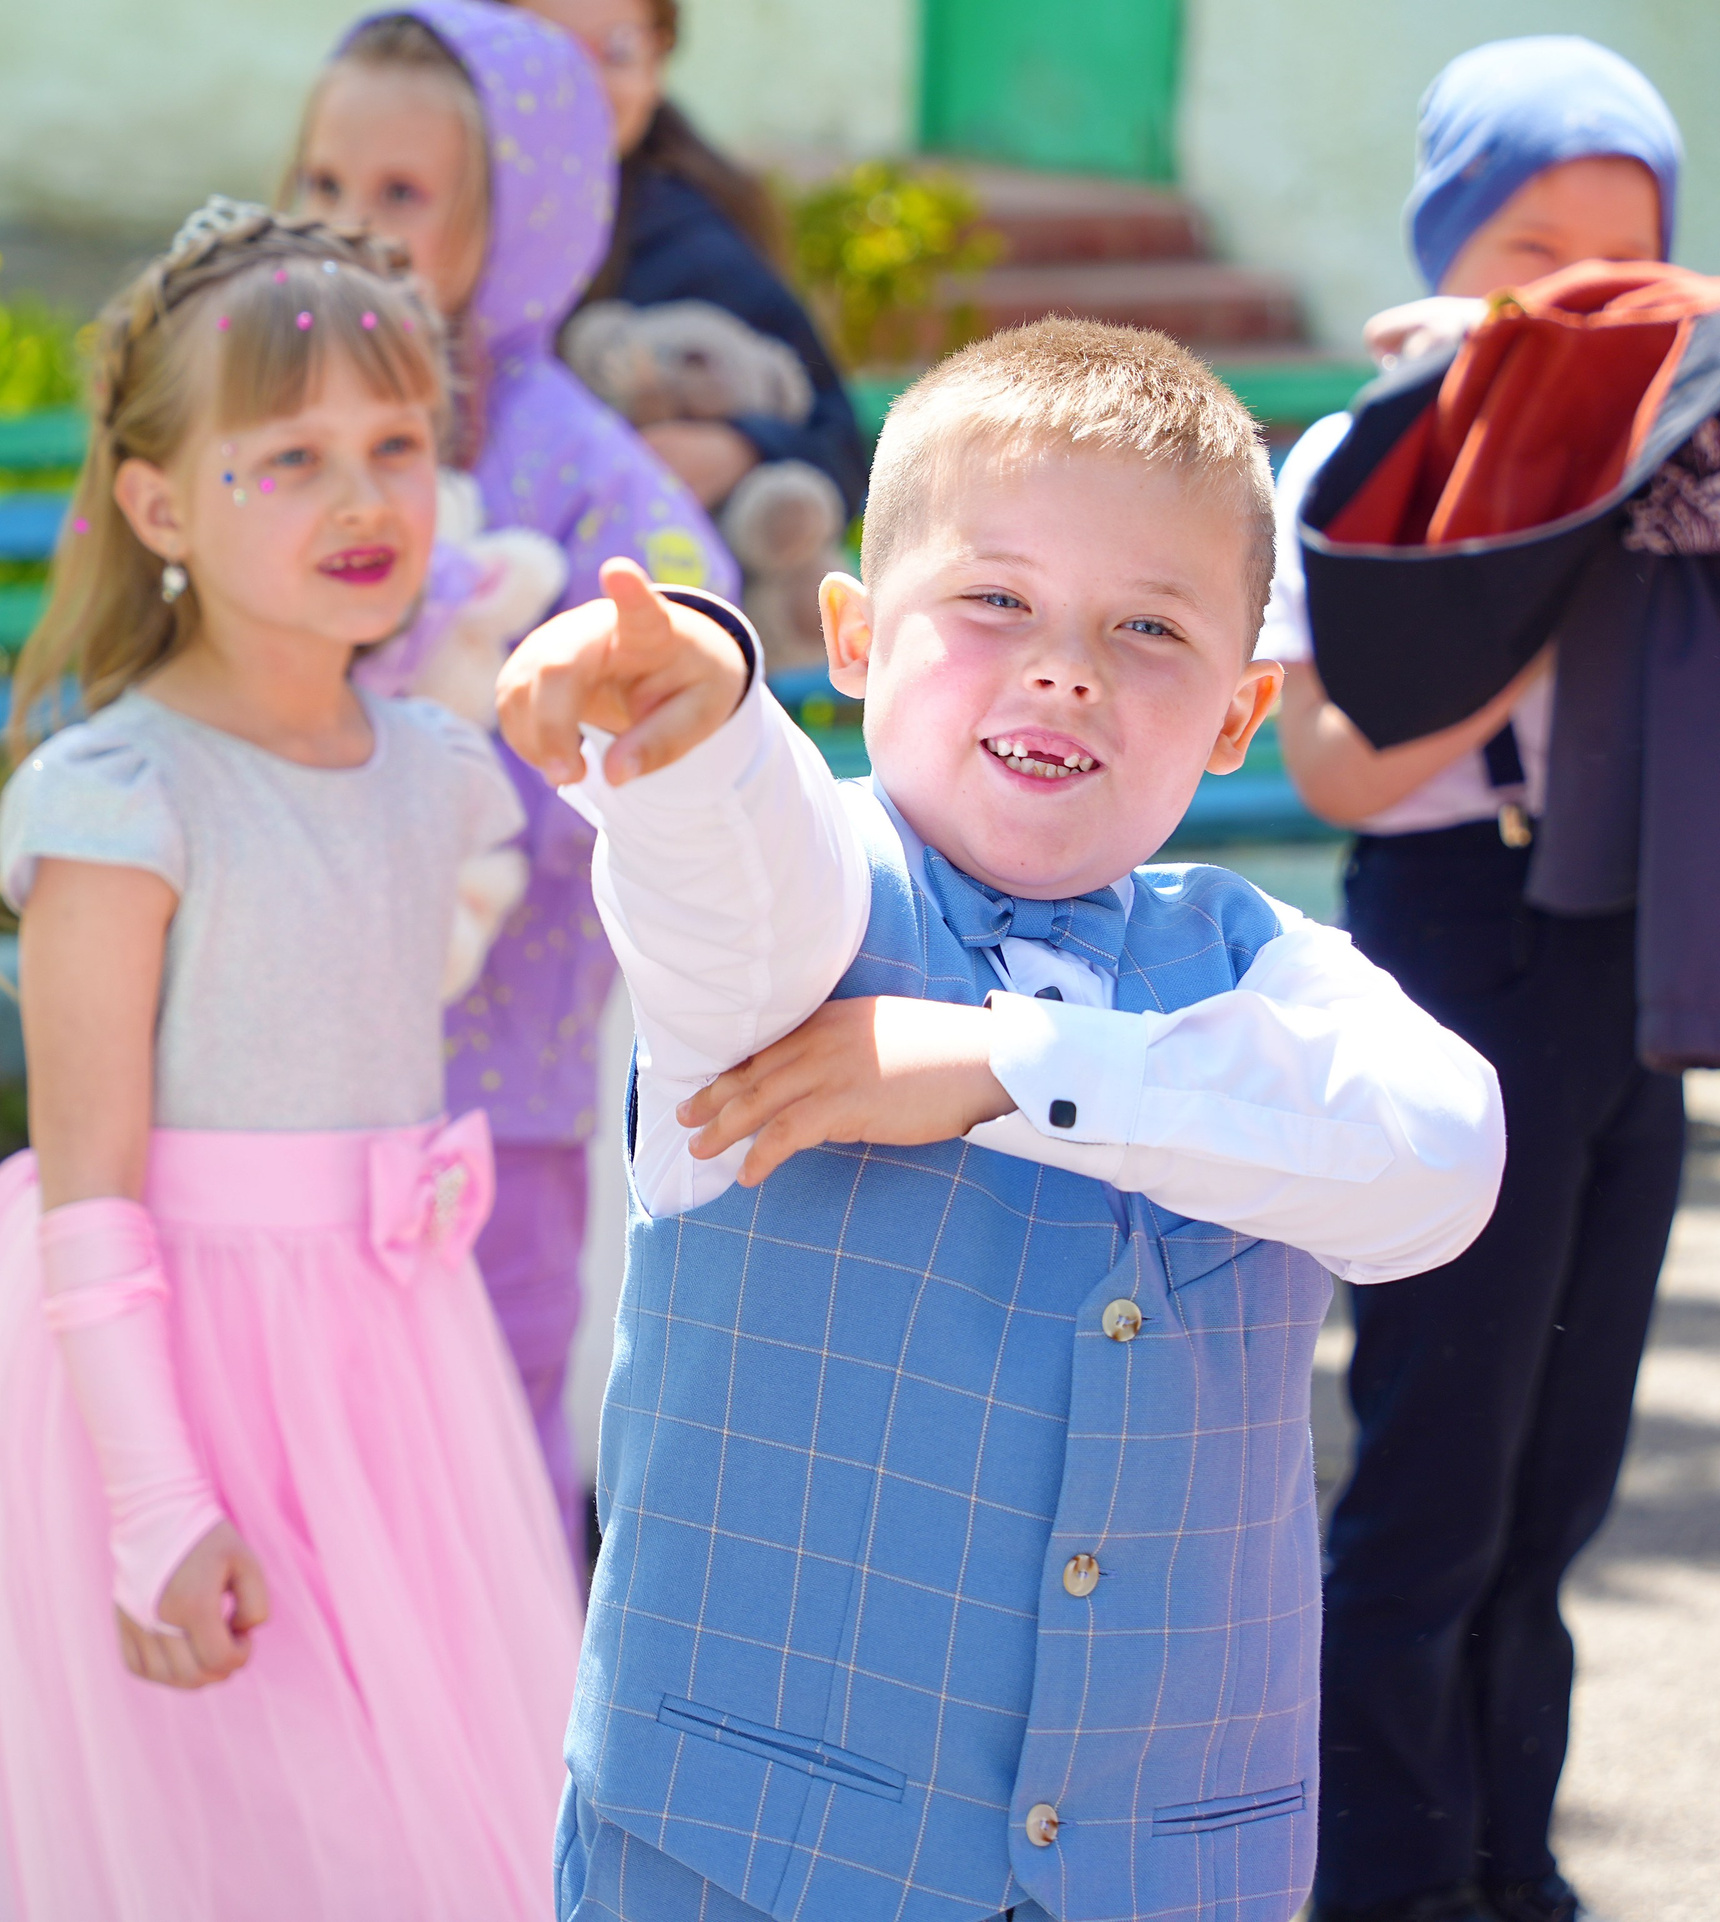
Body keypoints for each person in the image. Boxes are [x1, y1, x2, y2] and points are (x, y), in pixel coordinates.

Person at [497, 319, 1507, 1922]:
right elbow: (729, 864)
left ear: (1239, 719)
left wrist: (1007, 1062)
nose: (1067, 666)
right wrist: (688, 709)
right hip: (747, 1859)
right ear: (850, 630)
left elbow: (1440, 1159)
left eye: (1147, 626)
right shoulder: (803, 913)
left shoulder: (1271, 971)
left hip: (1168, 1868)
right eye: (994, 599)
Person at [0, 204, 581, 1922]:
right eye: (290, 456)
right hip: (171, 1370)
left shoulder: (434, 768)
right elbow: (87, 1182)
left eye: (397, 445)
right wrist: (155, 1501)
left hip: (392, 1374)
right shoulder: (126, 794)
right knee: (209, 1827)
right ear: (161, 503)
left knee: (407, 1815)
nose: (363, 498)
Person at [1261, 39, 1689, 1922]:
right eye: (1531, 248)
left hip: (1629, 967)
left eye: (1629, 252)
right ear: (1446, 252)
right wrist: (1527, 564)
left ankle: (1518, 1869)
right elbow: (1342, 767)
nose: (1581, 290)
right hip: (1451, 944)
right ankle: (1383, 1880)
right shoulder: (1370, 459)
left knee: (1558, 1487)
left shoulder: (1683, 467)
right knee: (1435, 1480)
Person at [294, 0, 738, 1560]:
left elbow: (689, 609)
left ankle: (497, 1747)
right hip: (279, 1061)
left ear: (524, 212)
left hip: (505, 1065)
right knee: (304, 1438)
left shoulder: (568, 456)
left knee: (483, 1436)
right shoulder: (268, 419)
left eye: (401, 196)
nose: (347, 229)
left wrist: (535, 771)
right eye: (324, 184)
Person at [513, 0, 871, 520]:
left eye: (618, 51)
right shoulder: (448, 216)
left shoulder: (692, 242)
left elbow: (841, 441)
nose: (583, 83)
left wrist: (742, 449)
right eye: (544, 54)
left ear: (657, 61)